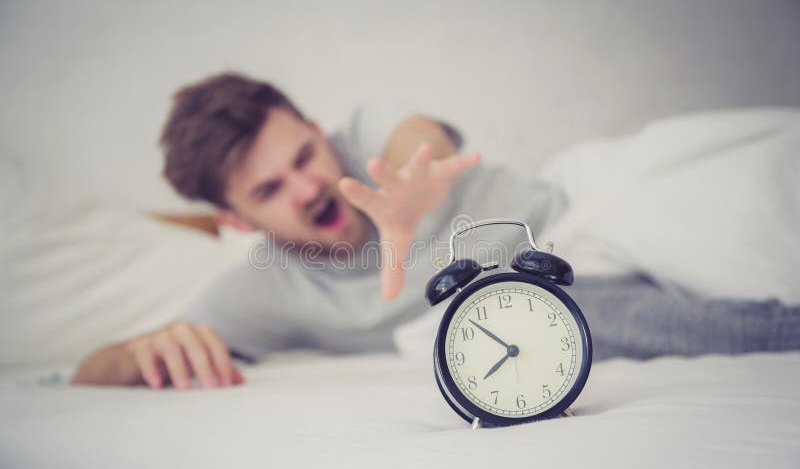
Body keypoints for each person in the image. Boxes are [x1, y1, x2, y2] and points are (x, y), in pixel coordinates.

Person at [71, 72, 800, 389]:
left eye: (304, 155)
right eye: (270, 189)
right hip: (544, 294)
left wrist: (407, 182)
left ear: (320, 130)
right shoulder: (261, 288)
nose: (309, 185)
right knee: (537, 316)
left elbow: (422, 138)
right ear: (235, 220)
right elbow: (83, 375)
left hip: (576, 210)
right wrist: (146, 352)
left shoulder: (366, 133)